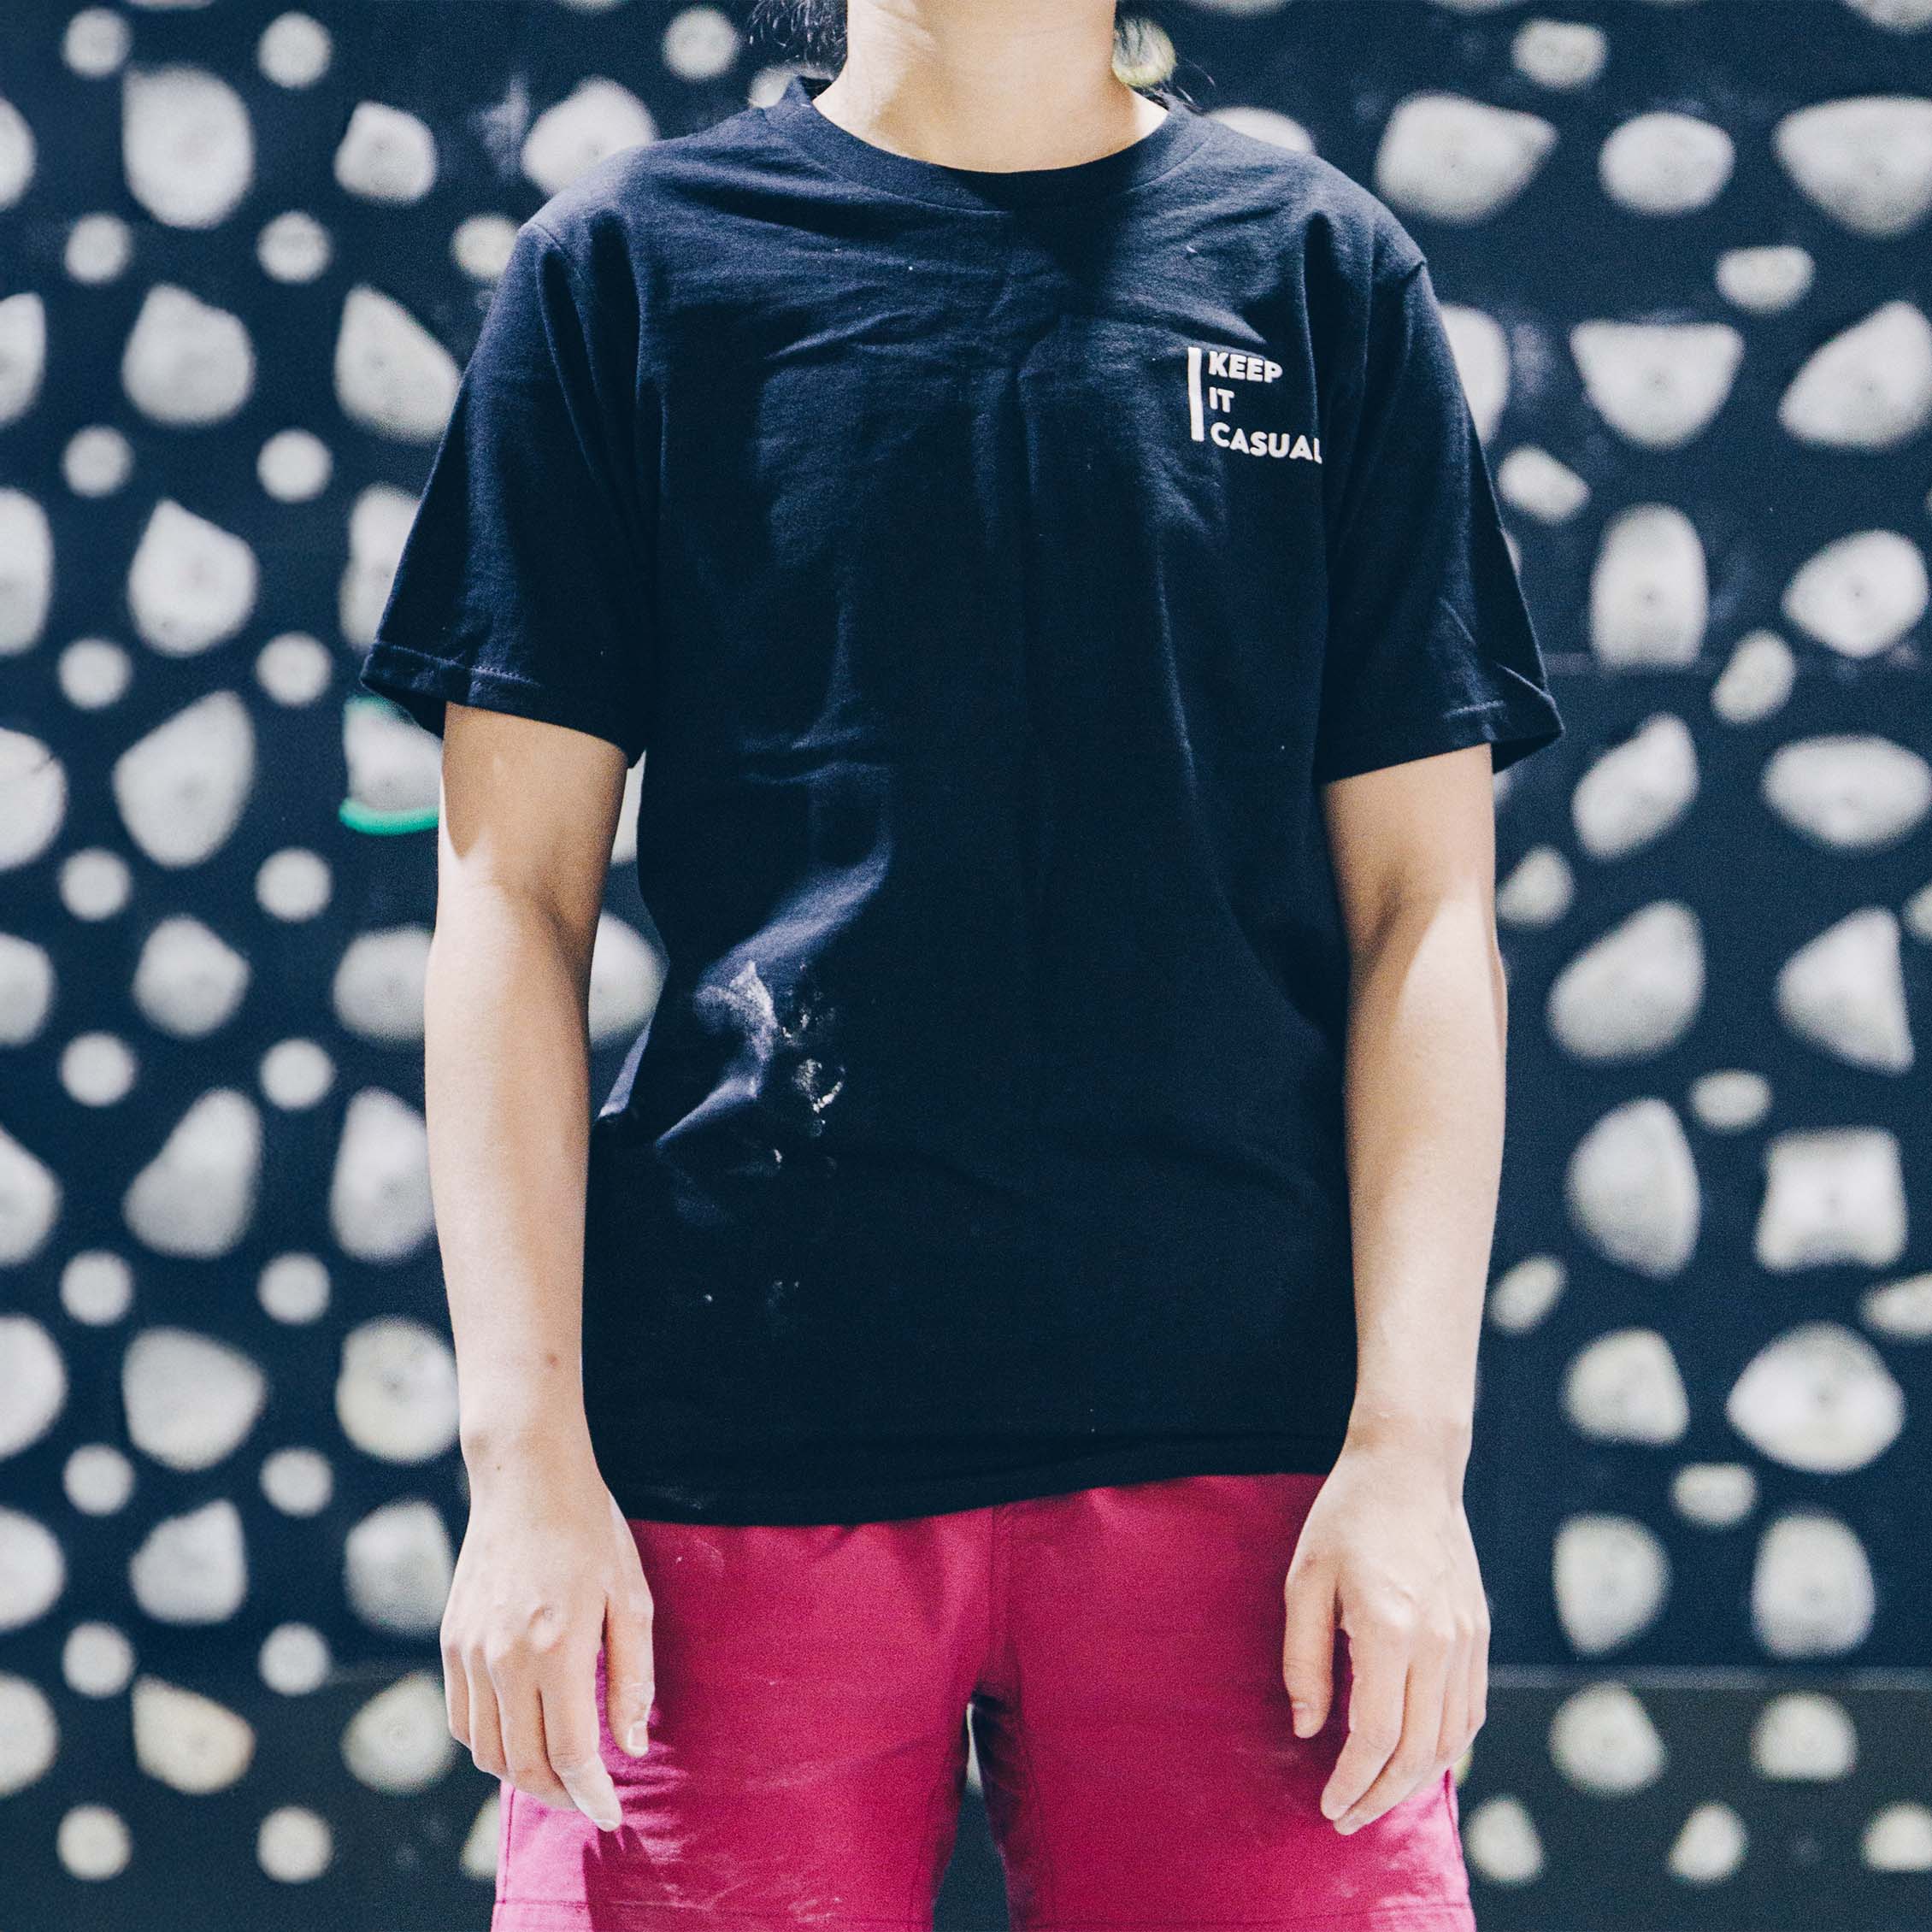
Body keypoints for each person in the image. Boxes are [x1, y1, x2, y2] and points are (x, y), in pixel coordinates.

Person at [356, 1, 1565, 1925]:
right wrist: (523, 1468)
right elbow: (510, 905)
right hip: (733, 1448)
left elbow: (1425, 914)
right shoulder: (626, 270)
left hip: (1248, 1459)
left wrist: (1410, 1458)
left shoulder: (1319, 272)